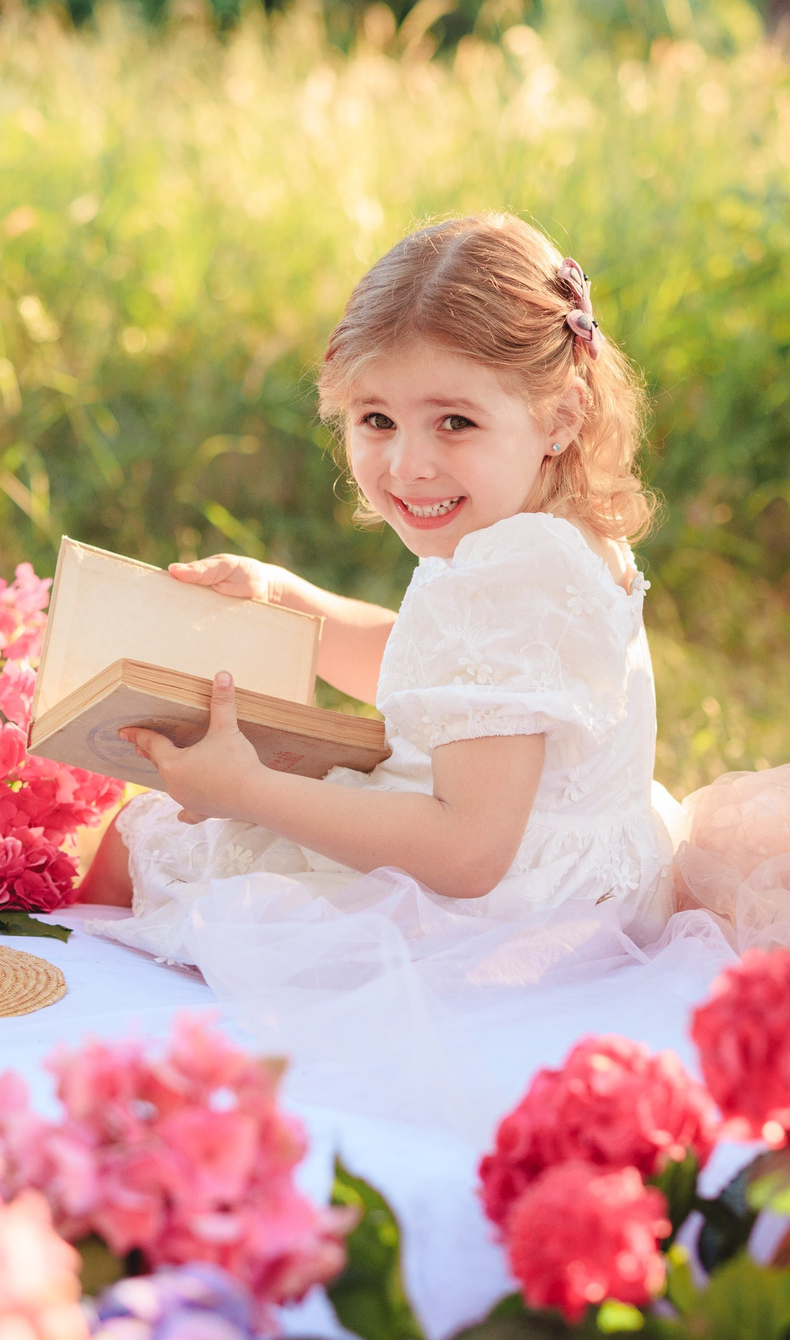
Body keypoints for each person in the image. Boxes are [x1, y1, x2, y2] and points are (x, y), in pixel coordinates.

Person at [75, 213, 678, 958]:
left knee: (148, 844)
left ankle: (74, 1020)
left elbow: (466, 853)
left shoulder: (509, 571)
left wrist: (247, 792)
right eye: (377, 419)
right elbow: (449, 671)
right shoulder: (553, 534)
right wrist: (289, 599)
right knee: (162, 836)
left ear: (560, 416)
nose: (409, 464)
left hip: (492, 924)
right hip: (579, 887)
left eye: (455, 421)